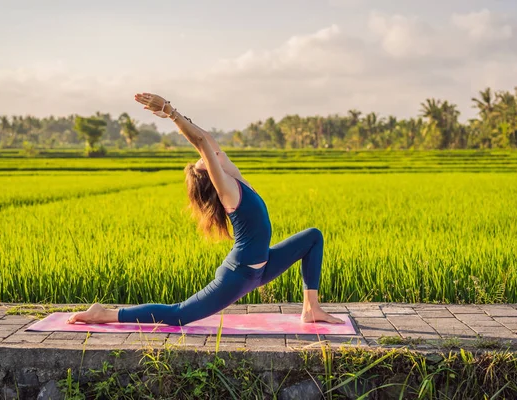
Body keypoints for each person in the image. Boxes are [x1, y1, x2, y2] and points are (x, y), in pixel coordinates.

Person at [67, 93, 343, 326]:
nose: (208, 155)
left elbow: (206, 140)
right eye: (204, 160)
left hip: (263, 266)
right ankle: (104, 314)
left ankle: (311, 308)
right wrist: (170, 111)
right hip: (240, 274)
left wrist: (177, 116)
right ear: (210, 174)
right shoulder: (228, 191)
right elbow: (201, 144)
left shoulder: (236, 178)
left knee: (313, 237)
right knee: (179, 315)